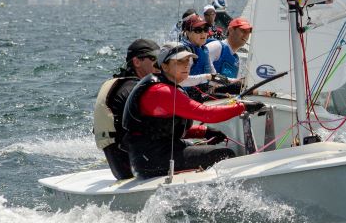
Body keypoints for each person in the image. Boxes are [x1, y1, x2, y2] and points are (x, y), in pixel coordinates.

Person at [122, 42, 246, 178]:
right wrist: (243, 107)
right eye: (179, 61)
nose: (186, 65)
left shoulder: (167, 86)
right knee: (225, 154)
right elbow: (206, 114)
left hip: (155, 153)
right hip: (152, 160)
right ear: (164, 66)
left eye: (188, 60)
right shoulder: (162, 91)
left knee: (212, 150)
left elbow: (162, 128)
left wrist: (204, 132)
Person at [92, 39, 160, 179]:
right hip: (138, 170)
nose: (160, 63)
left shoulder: (119, 84)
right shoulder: (135, 90)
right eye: (154, 58)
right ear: (137, 62)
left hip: (121, 169)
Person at [207, 17, 252, 84]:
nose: (246, 35)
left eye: (248, 32)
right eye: (243, 31)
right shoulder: (216, 46)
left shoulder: (237, 59)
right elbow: (204, 73)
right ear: (230, 30)